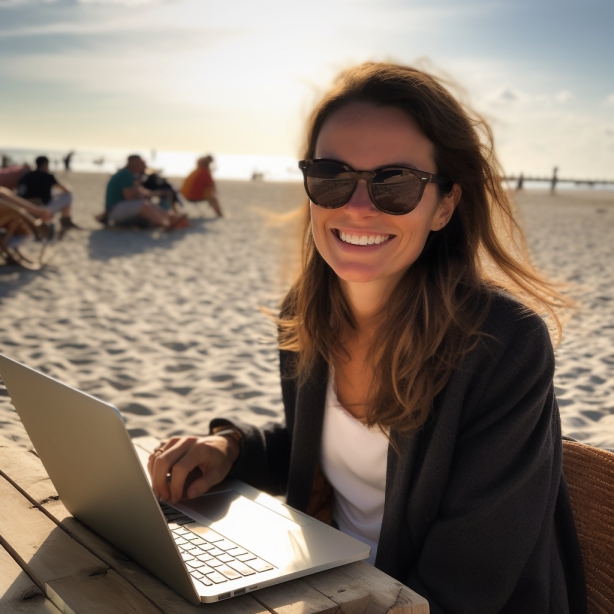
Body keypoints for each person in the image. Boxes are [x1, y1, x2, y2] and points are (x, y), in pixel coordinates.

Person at [148, 63, 586, 613]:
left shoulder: (502, 344)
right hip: (334, 585)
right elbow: (328, 453)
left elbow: (469, 581)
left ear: (444, 206)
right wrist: (228, 448)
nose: (357, 206)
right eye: (332, 176)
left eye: (395, 184)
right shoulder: (305, 315)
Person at [104, 155, 189, 230]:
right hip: (114, 211)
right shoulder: (125, 175)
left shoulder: (128, 174)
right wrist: (146, 195)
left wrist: (156, 193)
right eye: (142, 163)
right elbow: (130, 198)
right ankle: (165, 224)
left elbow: (138, 193)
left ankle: (171, 218)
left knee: (146, 203)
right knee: (143, 204)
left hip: (118, 210)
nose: (145, 166)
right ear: (134, 164)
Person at [17, 156, 79, 232]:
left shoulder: (26, 175)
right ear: (45, 164)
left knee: (55, 193)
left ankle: (65, 219)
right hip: (40, 208)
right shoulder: (48, 176)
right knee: (68, 194)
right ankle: (66, 219)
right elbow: (65, 190)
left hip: (22, 207)